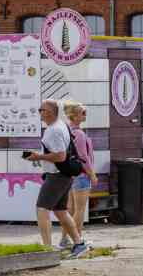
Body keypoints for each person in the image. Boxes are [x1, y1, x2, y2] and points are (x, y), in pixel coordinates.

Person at [30, 99, 88, 258]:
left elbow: (61, 156)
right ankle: (79, 244)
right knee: (61, 211)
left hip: (56, 175)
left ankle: (47, 248)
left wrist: (38, 157)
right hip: (64, 175)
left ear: (48, 112)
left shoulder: (53, 130)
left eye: (40, 110)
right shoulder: (60, 125)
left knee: (42, 209)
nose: (39, 113)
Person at [59, 102, 96, 251]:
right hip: (81, 175)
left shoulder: (67, 131)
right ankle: (78, 240)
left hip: (71, 175)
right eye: (83, 112)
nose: (85, 115)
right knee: (79, 210)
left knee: (70, 210)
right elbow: (83, 157)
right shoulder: (79, 134)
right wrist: (92, 174)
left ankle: (64, 240)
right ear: (74, 115)